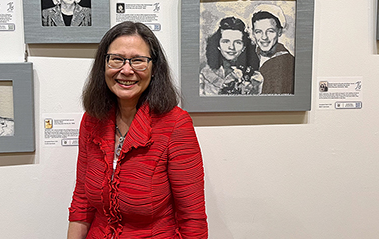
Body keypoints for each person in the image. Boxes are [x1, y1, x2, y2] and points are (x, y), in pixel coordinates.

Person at [67, 21, 208, 238]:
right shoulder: (91, 120)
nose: (126, 70)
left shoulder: (176, 124)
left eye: (138, 61)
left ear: (154, 69)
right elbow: (82, 203)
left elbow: (192, 218)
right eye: (117, 59)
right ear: (103, 65)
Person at [199, 16, 262, 95]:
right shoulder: (205, 74)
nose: (231, 47)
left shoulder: (255, 77)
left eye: (238, 42)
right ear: (218, 45)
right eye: (226, 42)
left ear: (244, 47)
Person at [251, 5, 295, 94]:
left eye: (270, 31)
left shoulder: (288, 62)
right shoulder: (251, 56)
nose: (264, 37)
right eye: (258, 32)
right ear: (253, 33)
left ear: (279, 32)